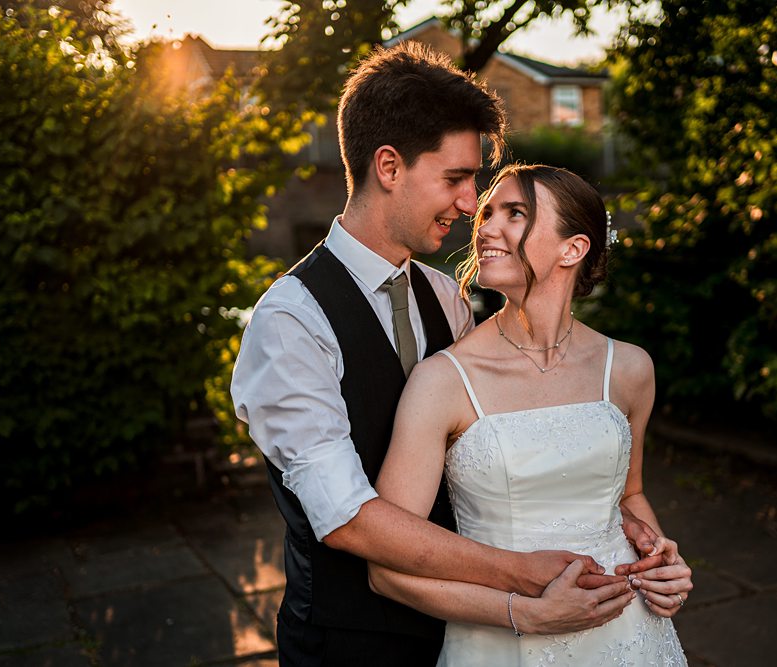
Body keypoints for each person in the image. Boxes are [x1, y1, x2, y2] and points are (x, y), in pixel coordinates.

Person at [231, 43, 665, 667]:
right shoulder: (290, 321)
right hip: (353, 641)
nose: (470, 206)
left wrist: (622, 522)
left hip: (463, 627)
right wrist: (519, 576)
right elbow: (347, 518)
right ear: (389, 166)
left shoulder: (446, 297)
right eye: (456, 179)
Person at [368, 164, 692, 666]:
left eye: (515, 214)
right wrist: (523, 614)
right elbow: (386, 571)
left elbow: (628, 495)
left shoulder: (629, 369)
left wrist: (663, 568)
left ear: (573, 249)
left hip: (630, 631)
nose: (485, 227)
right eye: (488, 213)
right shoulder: (442, 381)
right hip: (502, 643)